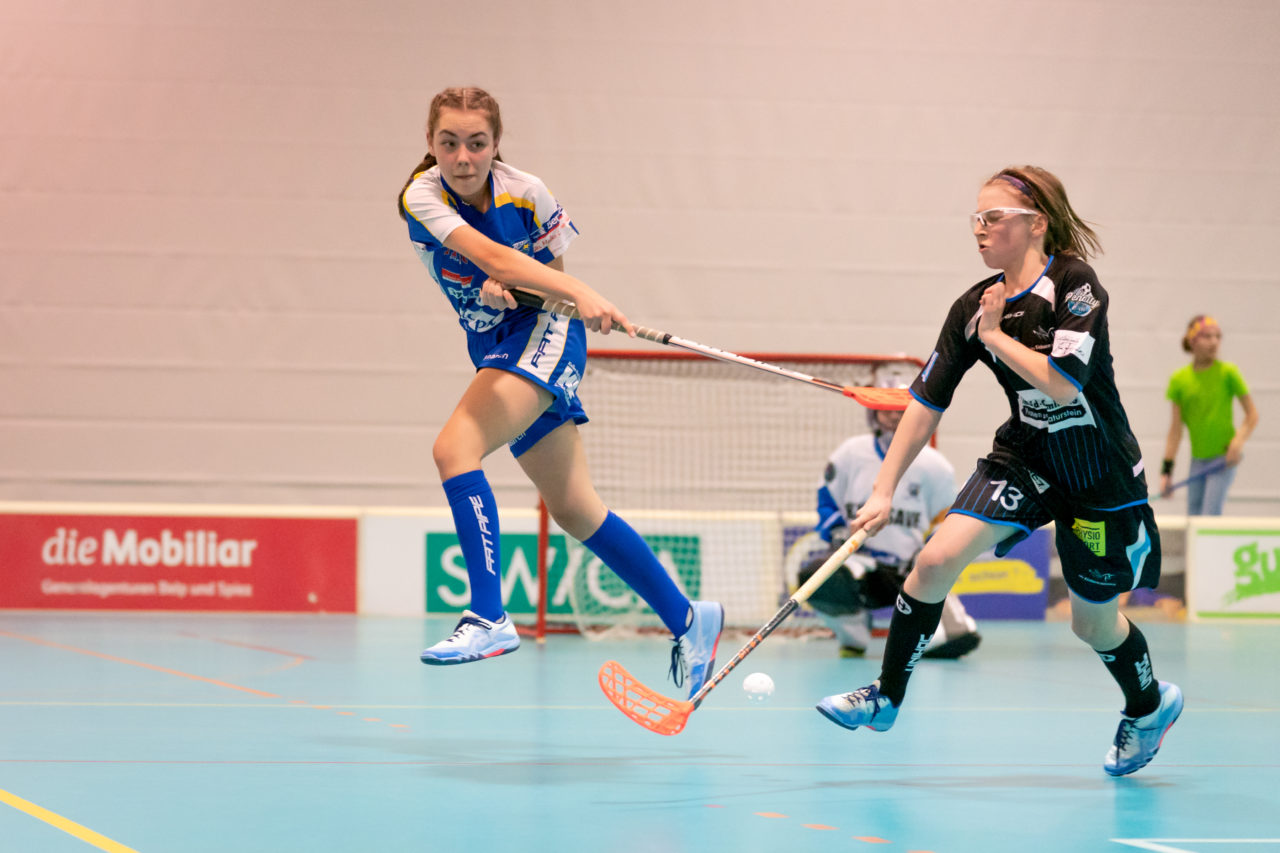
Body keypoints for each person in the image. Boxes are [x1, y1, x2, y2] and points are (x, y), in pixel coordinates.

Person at [816, 166, 1183, 777]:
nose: (980, 230)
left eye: (993, 218)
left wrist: (995, 335)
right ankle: (886, 697)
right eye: (976, 219)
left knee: (1090, 623)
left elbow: (1063, 385)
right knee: (933, 561)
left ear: (1035, 222)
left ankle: (1148, 705)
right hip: (1025, 459)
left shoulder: (1075, 285)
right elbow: (926, 401)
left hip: (1100, 478)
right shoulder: (971, 305)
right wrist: (883, 490)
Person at [396, 86, 722, 698]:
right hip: (494, 344)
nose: (463, 157)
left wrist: (568, 296)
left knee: (453, 451)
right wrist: (532, 289)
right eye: (449, 143)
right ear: (430, 143)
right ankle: (688, 618)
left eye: (477, 143)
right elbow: (490, 255)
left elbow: (551, 286)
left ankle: (488, 615)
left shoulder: (528, 192)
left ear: (496, 144)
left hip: (542, 336)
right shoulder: (420, 195)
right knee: (573, 507)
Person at [803, 399, 980, 659]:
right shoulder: (850, 454)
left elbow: (947, 518)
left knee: (958, 637)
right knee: (819, 575)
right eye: (885, 409)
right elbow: (826, 499)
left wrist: (932, 552)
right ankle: (854, 635)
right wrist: (837, 532)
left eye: (900, 410)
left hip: (909, 569)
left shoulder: (935, 465)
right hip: (859, 565)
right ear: (873, 413)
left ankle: (917, 631)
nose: (893, 416)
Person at [1159, 315, 1259, 515]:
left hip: (1223, 458)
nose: (1214, 342)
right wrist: (1166, 470)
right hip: (1198, 460)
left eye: (1218, 336)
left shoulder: (1228, 372)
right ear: (1192, 341)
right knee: (1193, 518)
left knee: (1209, 516)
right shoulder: (1179, 380)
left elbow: (1252, 415)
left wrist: (1237, 442)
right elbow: (1175, 431)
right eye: (1207, 336)